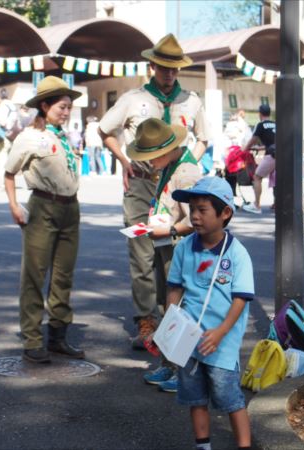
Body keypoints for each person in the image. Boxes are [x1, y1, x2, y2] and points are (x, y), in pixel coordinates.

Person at [98, 33, 208, 352]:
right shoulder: (133, 99)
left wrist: (184, 167)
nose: (169, 74)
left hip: (175, 185)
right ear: (152, 66)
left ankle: (172, 324)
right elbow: (104, 130)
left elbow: (203, 138)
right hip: (143, 182)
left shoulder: (191, 100)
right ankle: (146, 322)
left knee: (172, 254)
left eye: (174, 68)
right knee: (141, 253)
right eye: (163, 67)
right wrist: (124, 160)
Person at [168, 176, 255, 450]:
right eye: (192, 209)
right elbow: (174, 288)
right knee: (195, 399)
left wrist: (220, 332)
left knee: (231, 400)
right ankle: (202, 445)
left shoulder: (238, 254)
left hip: (221, 345)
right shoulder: (184, 247)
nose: (194, 216)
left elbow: (240, 299)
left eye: (202, 210)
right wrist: (169, 325)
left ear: (225, 213)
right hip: (188, 340)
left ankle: (244, 445)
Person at [3, 76, 84, 363]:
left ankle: (58, 336)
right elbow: (9, 173)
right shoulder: (30, 137)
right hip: (43, 206)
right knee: (34, 276)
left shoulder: (64, 136)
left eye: (69, 107)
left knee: (63, 275)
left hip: (70, 209)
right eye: (61, 107)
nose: (66, 112)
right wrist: (14, 205)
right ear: (45, 105)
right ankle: (32, 340)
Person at [127, 118, 202, 392]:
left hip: (179, 248)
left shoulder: (186, 173)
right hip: (165, 245)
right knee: (166, 305)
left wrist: (168, 229)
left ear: (164, 151)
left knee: (181, 310)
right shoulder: (171, 167)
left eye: (151, 158)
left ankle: (184, 371)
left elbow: (195, 220)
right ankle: (170, 364)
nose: (148, 164)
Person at [242, 104, 276, 214]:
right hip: (281, 154)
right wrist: (260, 147)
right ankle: (277, 203)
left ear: (260, 114)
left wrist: (245, 149)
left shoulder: (260, 125)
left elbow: (253, 139)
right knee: (277, 180)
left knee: (257, 177)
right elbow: (273, 142)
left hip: (272, 155)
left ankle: (256, 205)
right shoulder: (275, 124)